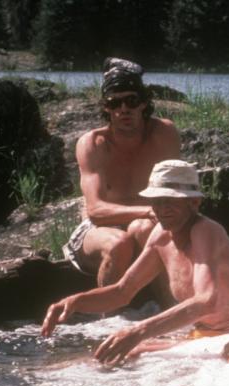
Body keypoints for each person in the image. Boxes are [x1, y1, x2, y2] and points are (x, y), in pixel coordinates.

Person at [41, 159, 229, 366]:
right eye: (156, 201)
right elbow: (122, 291)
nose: (161, 209)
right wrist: (75, 302)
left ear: (194, 202)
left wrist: (139, 331)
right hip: (200, 334)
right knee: (102, 356)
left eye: (170, 201)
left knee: (129, 354)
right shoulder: (162, 234)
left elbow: (206, 300)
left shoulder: (206, 231)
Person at [63, 57, 182, 289]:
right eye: (115, 103)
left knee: (144, 229)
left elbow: (177, 193)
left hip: (149, 224)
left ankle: (171, 312)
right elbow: (96, 211)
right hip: (98, 231)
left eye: (131, 100)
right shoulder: (93, 143)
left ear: (144, 103)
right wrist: (149, 210)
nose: (124, 109)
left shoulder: (164, 134)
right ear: (106, 107)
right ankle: (107, 319)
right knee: (120, 243)